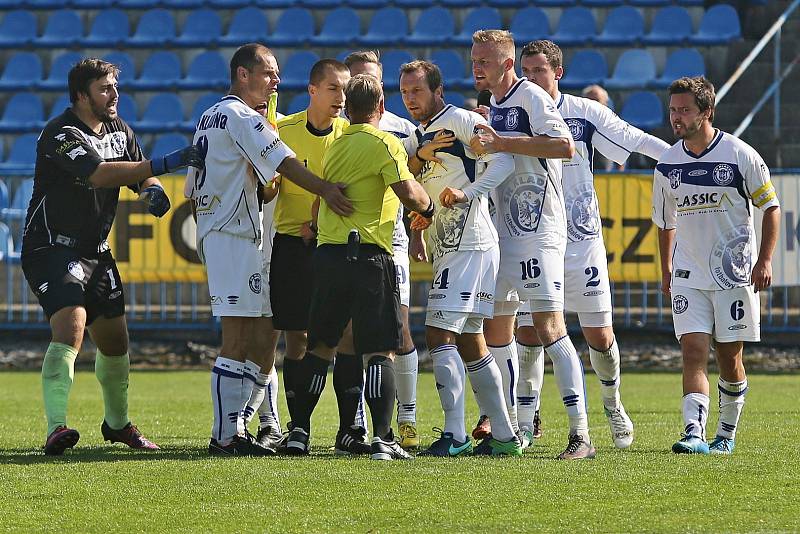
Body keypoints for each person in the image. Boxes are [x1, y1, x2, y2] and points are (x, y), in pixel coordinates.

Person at [21, 58, 202, 455]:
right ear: (82, 95)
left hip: (96, 252)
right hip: (50, 246)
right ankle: (56, 428)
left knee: (116, 344)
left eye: (115, 87)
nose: (114, 95)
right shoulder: (61, 134)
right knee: (72, 325)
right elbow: (99, 173)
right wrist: (167, 164)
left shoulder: (120, 129)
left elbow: (137, 171)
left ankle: (117, 425)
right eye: (105, 89)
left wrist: (152, 188)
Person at [186, 43, 352, 456]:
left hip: (230, 232)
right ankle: (225, 436)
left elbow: (192, 187)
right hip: (234, 235)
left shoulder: (209, 116)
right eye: (268, 73)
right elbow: (287, 164)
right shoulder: (242, 117)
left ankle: (240, 426)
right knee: (238, 336)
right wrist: (326, 190)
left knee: (261, 331)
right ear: (243, 75)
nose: (276, 81)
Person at [515, 40, 670, 449]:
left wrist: (683, 162)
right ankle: (526, 420)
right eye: (524, 71)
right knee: (529, 332)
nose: (529, 79)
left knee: (599, 334)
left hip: (580, 241)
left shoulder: (582, 113)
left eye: (538, 71)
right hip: (532, 238)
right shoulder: (512, 114)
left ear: (557, 73)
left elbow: (632, 139)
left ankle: (612, 402)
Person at [283, 73, 433, 460]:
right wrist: (428, 205)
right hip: (369, 254)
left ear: (347, 109)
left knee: (320, 347)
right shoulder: (385, 142)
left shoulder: (336, 144)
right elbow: (407, 192)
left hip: (329, 254)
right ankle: (383, 439)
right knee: (380, 350)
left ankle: (299, 431)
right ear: (381, 107)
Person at [469, 30, 596, 460]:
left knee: (549, 328)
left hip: (539, 229)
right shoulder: (496, 105)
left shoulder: (531, 98)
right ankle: (514, 431)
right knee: (498, 328)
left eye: (484, 60)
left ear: (506, 64)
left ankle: (581, 435)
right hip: (503, 232)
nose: (476, 67)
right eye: (474, 59)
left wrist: (502, 142)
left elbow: (564, 145)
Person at [652, 76, 780, 455]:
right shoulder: (667, 164)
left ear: (706, 112)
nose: (676, 117)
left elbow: (770, 208)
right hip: (689, 274)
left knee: (730, 357)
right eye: (673, 110)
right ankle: (693, 431)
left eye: (685, 110)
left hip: (732, 275)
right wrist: (666, 272)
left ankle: (725, 434)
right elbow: (665, 222)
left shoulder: (740, 155)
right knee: (692, 350)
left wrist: (765, 259)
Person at [399, 60, 519, 457]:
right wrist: (419, 227)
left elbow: (503, 159)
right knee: (470, 339)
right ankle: (503, 436)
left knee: (438, 334)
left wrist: (472, 193)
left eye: (417, 91)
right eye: (404, 92)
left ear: (437, 90)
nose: (410, 99)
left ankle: (455, 434)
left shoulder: (463, 121)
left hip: (469, 243)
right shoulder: (418, 136)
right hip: (453, 245)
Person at [265, 58, 374, 455]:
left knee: (346, 336)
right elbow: (269, 190)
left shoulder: (351, 134)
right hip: (293, 245)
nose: (341, 98)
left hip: (336, 246)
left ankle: (349, 430)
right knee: (297, 337)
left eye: (346, 90)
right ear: (312, 90)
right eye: (333, 89)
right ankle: (299, 429)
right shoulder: (283, 131)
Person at [343, 50, 421, 450]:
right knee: (351, 333)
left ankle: (405, 418)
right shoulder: (338, 130)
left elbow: (416, 180)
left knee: (398, 329)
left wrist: (420, 229)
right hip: (348, 244)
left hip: (392, 243)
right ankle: (356, 421)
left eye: (368, 77)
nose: (361, 84)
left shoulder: (403, 130)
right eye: (355, 78)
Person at [580, 85, 618, 172]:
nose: (593, 104)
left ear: (605, 103)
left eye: (597, 100)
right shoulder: (575, 125)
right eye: (589, 100)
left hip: (605, 178)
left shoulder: (613, 125)